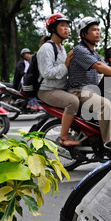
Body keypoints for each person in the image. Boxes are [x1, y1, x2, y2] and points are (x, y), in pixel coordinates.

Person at [67, 17, 111, 143]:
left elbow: (106, 67)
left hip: (93, 92)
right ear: (83, 33)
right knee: (105, 105)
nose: (97, 32)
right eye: (93, 30)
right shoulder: (79, 50)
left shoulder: (93, 52)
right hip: (79, 91)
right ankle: (108, 143)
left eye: (98, 29)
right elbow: (99, 66)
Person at [36, 13, 80, 146]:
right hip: (47, 90)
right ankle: (63, 137)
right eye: (62, 26)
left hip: (61, 88)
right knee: (73, 102)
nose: (66, 29)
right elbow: (47, 73)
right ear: (53, 29)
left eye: (67, 26)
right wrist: (65, 65)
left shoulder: (61, 48)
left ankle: (79, 132)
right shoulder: (47, 48)